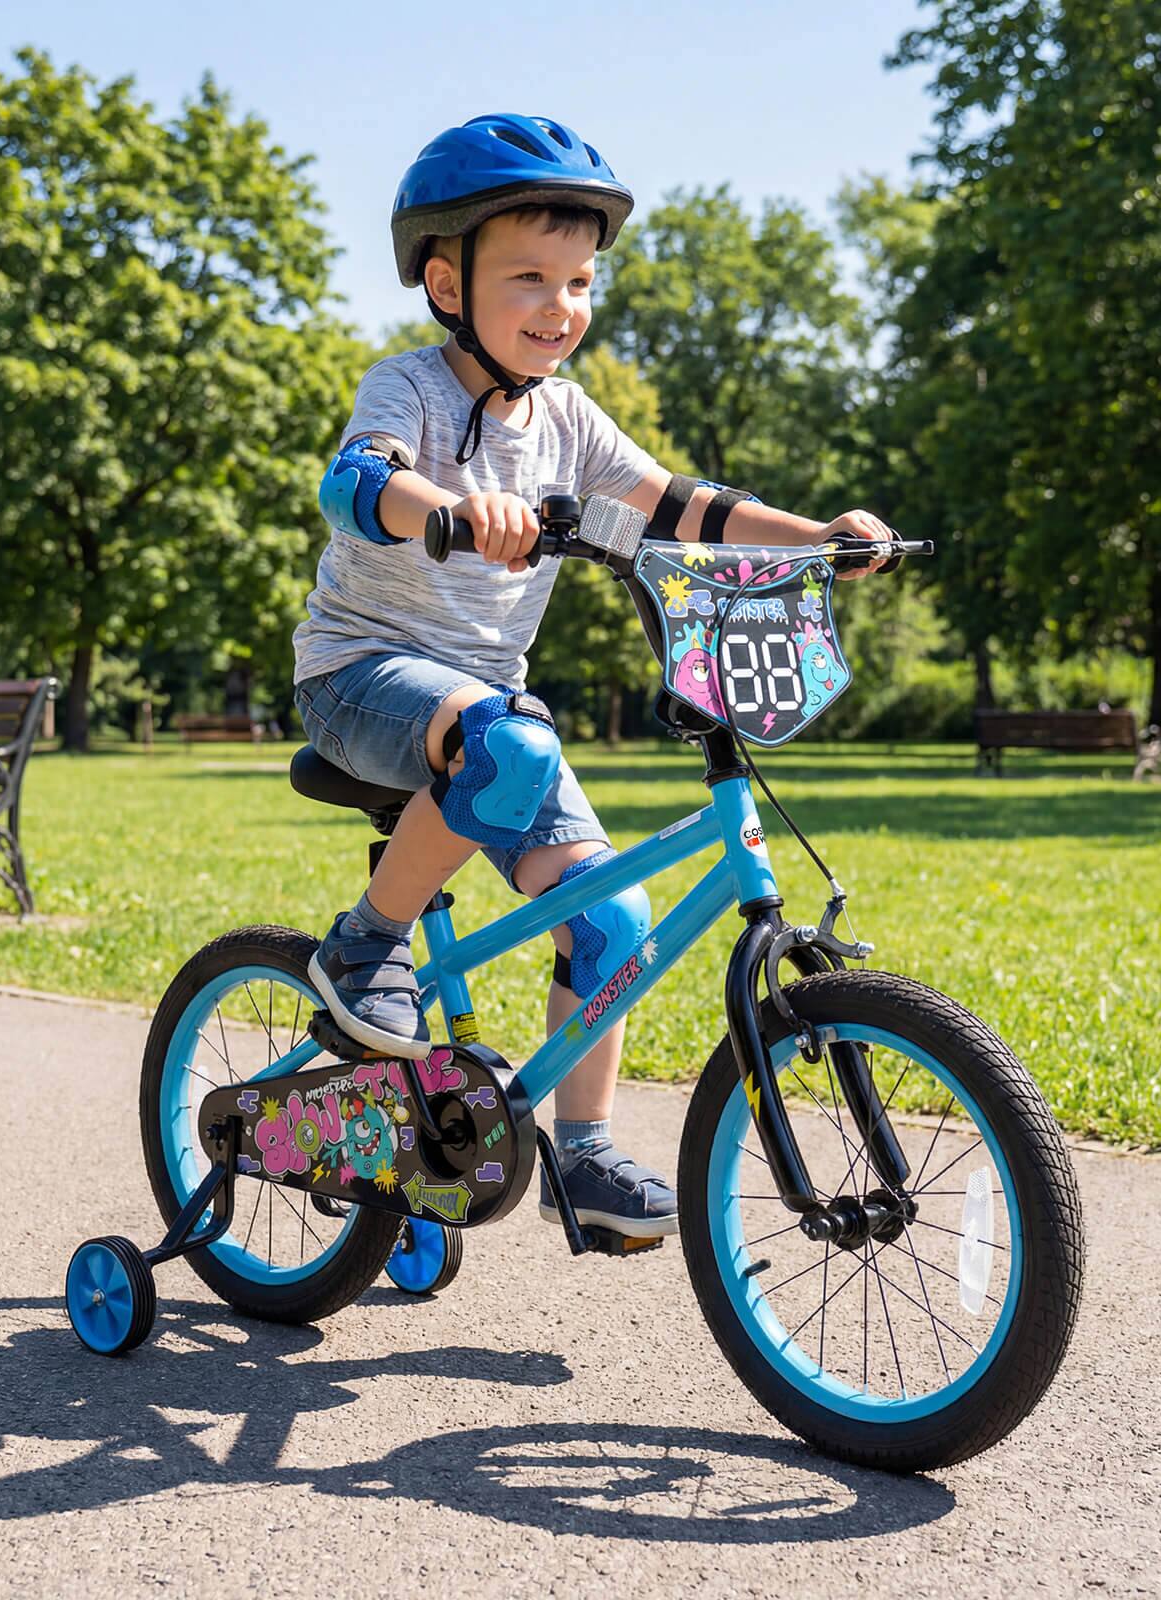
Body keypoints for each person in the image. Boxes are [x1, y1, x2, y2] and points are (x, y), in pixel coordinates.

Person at [292, 114, 896, 1238]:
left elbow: (679, 504)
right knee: (510, 743)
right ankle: (361, 946)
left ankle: (583, 1152)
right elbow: (353, 482)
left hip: (485, 708)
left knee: (614, 914)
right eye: (528, 276)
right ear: (443, 279)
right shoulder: (409, 388)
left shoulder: (567, 417)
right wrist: (453, 511)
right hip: (359, 675)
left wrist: (815, 535)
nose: (559, 305)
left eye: (579, 281)